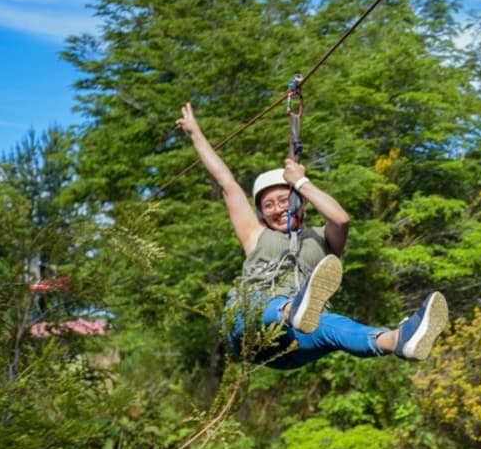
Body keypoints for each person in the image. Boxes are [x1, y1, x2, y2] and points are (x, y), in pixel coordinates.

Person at [176, 102, 448, 369]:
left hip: (293, 345)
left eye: (284, 200)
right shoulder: (255, 235)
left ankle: (399, 341)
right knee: (256, 302)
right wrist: (195, 133)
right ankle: (290, 309)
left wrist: (301, 183)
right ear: (260, 213)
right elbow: (227, 183)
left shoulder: (322, 238)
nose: (277, 209)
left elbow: (341, 219)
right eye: (268, 205)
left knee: (332, 326)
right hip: (247, 329)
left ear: (299, 202)